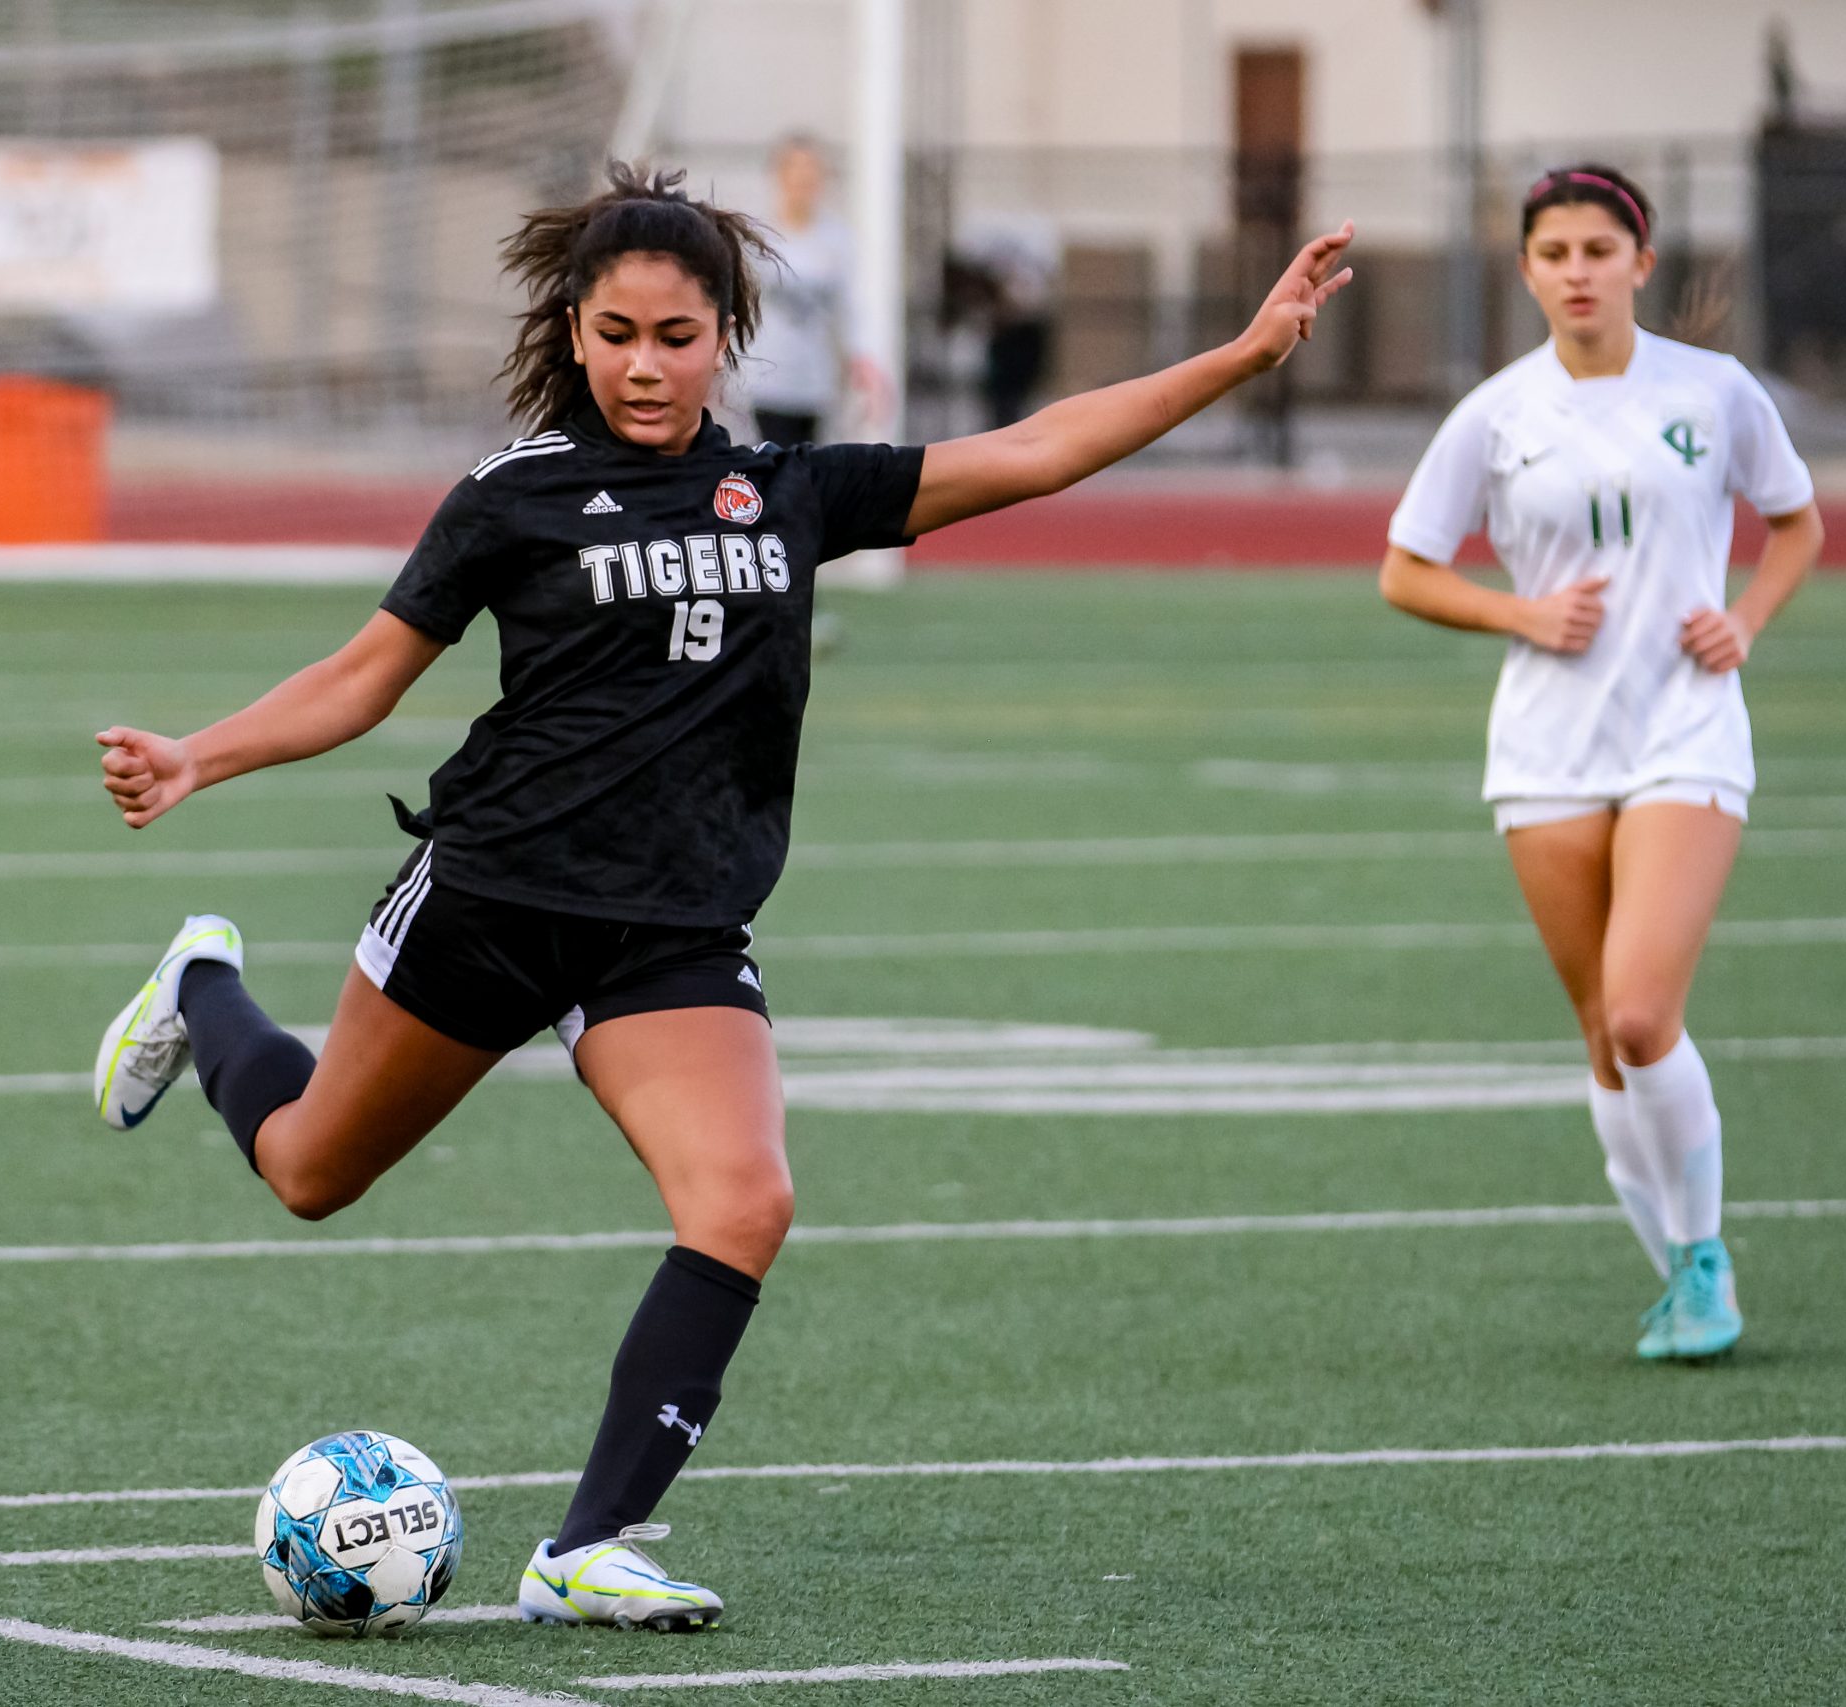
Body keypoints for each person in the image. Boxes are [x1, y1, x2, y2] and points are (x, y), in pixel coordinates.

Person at [92, 163, 1352, 1628]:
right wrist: (201, 754)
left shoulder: (795, 493)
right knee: (310, 1167)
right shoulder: (516, 496)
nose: (645, 362)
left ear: (726, 335)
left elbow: (1039, 448)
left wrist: (1243, 357)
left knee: (744, 1197)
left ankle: (590, 1544)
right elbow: (364, 678)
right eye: (618, 332)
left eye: (677, 334)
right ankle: (200, 983)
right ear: (575, 333)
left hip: (676, 928)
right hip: (493, 895)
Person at [1378, 164, 1825, 1362]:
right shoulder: (1494, 414)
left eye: (1597, 249)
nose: (1576, 271)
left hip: (1684, 726)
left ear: (1643, 259)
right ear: (1525, 270)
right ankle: (1676, 1273)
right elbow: (1405, 568)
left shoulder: (1715, 391)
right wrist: (1518, 617)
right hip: (1546, 749)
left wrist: (1749, 618)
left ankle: (1703, 1256)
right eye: (1553, 253)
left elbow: (1796, 521)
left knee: (1640, 1013)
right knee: (1596, 1030)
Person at [743, 133, 864, 444]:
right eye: (795, 168)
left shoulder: (838, 240)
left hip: (816, 387)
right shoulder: (757, 239)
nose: (803, 178)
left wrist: (859, 361)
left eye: (812, 169)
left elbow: (851, 309)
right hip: (767, 386)